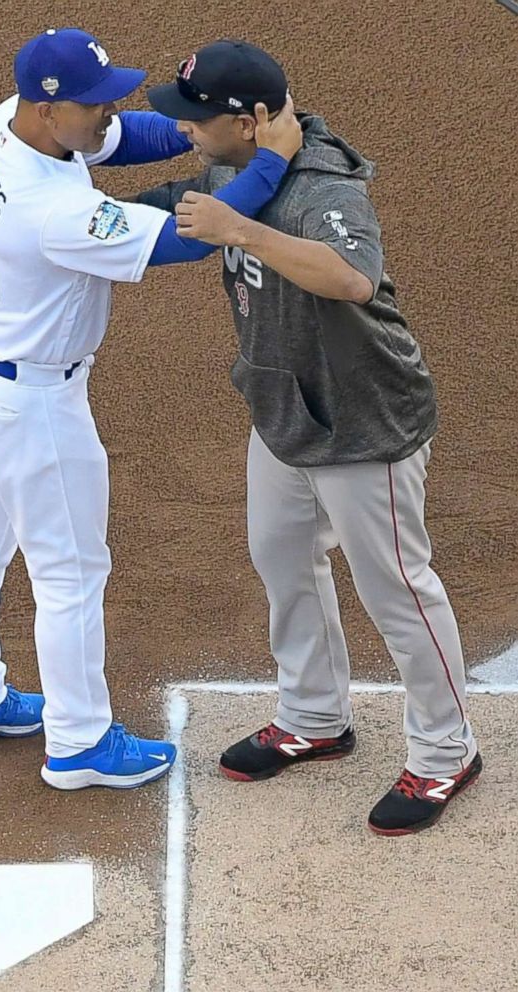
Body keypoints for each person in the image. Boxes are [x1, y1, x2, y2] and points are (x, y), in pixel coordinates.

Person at [0, 28, 302, 791]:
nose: (108, 113)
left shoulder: (5, 122)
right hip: (28, 402)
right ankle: (78, 742)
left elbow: (121, 138)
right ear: (49, 104)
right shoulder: (51, 211)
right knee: (69, 573)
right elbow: (185, 238)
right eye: (94, 103)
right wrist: (268, 159)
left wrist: (198, 126)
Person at [139, 38, 481, 832]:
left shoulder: (325, 185)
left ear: (252, 120)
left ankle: (444, 753)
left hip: (363, 420)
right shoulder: (235, 161)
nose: (187, 128)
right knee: (282, 560)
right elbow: (189, 203)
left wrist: (242, 231)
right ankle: (315, 718)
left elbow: (351, 276)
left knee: (399, 592)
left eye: (197, 118)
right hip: (283, 409)